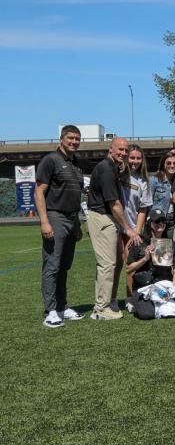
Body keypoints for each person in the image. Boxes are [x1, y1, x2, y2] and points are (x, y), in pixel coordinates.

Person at [36, 125, 86, 328]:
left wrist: (78, 225)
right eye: (70, 138)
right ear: (62, 139)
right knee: (52, 266)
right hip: (55, 217)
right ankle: (50, 311)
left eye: (77, 138)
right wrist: (45, 221)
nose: (74, 141)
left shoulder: (76, 164)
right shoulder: (51, 160)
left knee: (64, 267)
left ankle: (62, 307)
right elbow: (39, 192)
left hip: (72, 219)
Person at [88, 137, 139, 320]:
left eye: (126, 150)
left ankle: (106, 302)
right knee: (107, 264)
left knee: (114, 263)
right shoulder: (106, 169)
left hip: (108, 219)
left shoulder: (113, 168)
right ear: (111, 149)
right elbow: (115, 203)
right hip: (103, 218)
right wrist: (128, 228)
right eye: (120, 149)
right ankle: (101, 309)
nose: (124, 153)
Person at [125, 209, 175, 320]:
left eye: (163, 221)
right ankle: (144, 302)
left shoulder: (170, 243)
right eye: (157, 221)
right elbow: (129, 269)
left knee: (171, 313)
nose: (160, 224)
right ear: (150, 224)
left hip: (164, 285)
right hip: (144, 286)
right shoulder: (140, 241)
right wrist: (145, 258)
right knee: (146, 314)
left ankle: (163, 301)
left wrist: (173, 287)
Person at [118, 143, 153, 310]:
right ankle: (108, 300)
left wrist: (136, 232)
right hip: (115, 227)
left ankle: (130, 298)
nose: (135, 161)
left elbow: (142, 209)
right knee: (112, 264)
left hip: (132, 230)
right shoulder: (117, 175)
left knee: (131, 264)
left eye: (138, 158)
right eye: (132, 157)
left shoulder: (143, 181)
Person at [150, 150, 175, 237]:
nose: (172, 165)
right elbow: (147, 202)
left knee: (169, 248)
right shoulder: (155, 180)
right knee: (156, 247)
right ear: (164, 164)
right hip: (158, 220)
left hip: (173, 221)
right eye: (169, 163)